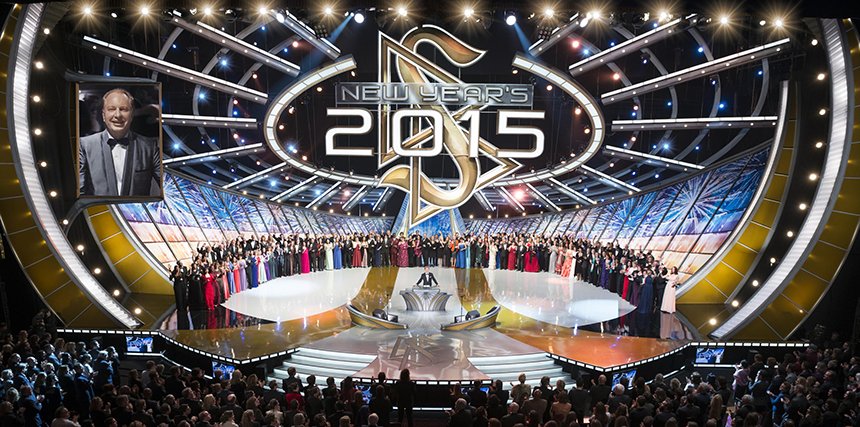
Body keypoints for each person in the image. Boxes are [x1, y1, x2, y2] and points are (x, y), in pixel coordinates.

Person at [78, 88, 161, 197]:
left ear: (132, 114)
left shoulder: (149, 147)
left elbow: (168, 185)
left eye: (123, 109)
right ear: (103, 115)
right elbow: (80, 192)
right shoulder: (84, 145)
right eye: (111, 109)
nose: (117, 115)